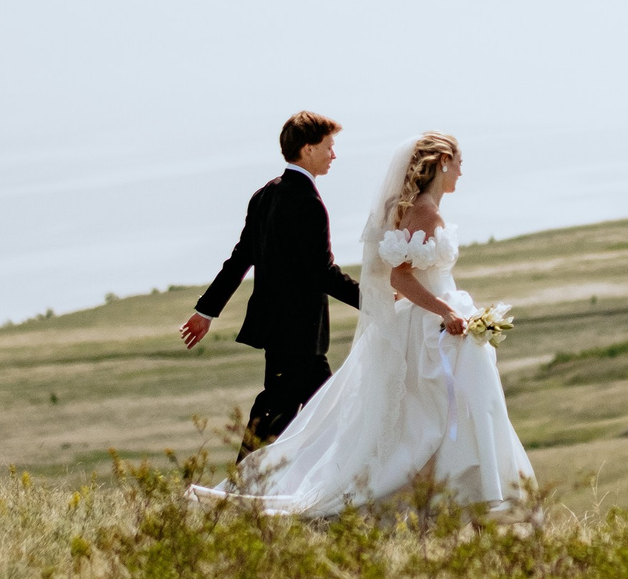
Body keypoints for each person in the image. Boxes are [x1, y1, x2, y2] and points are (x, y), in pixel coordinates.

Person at [189, 131, 536, 516]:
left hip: (418, 320)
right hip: (415, 326)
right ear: (441, 162)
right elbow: (393, 276)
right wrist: (439, 311)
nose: (461, 171)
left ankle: (452, 494)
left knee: (362, 416)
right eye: (458, 163)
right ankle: (446, 494)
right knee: (388, 417)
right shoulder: (414, 210)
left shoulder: (270, 193)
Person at [181, 110, 362, 454]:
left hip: (288, 336)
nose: (333, 154)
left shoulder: (264, 195)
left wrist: (206, 311)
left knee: (327, 414)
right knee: (275, 420)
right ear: (308, 150)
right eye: (328, 146)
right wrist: (375, 300)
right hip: (298, 336)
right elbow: (323, 272)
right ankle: (240, 492)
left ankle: (300, 492)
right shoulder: (308, 202)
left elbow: (239, 260)